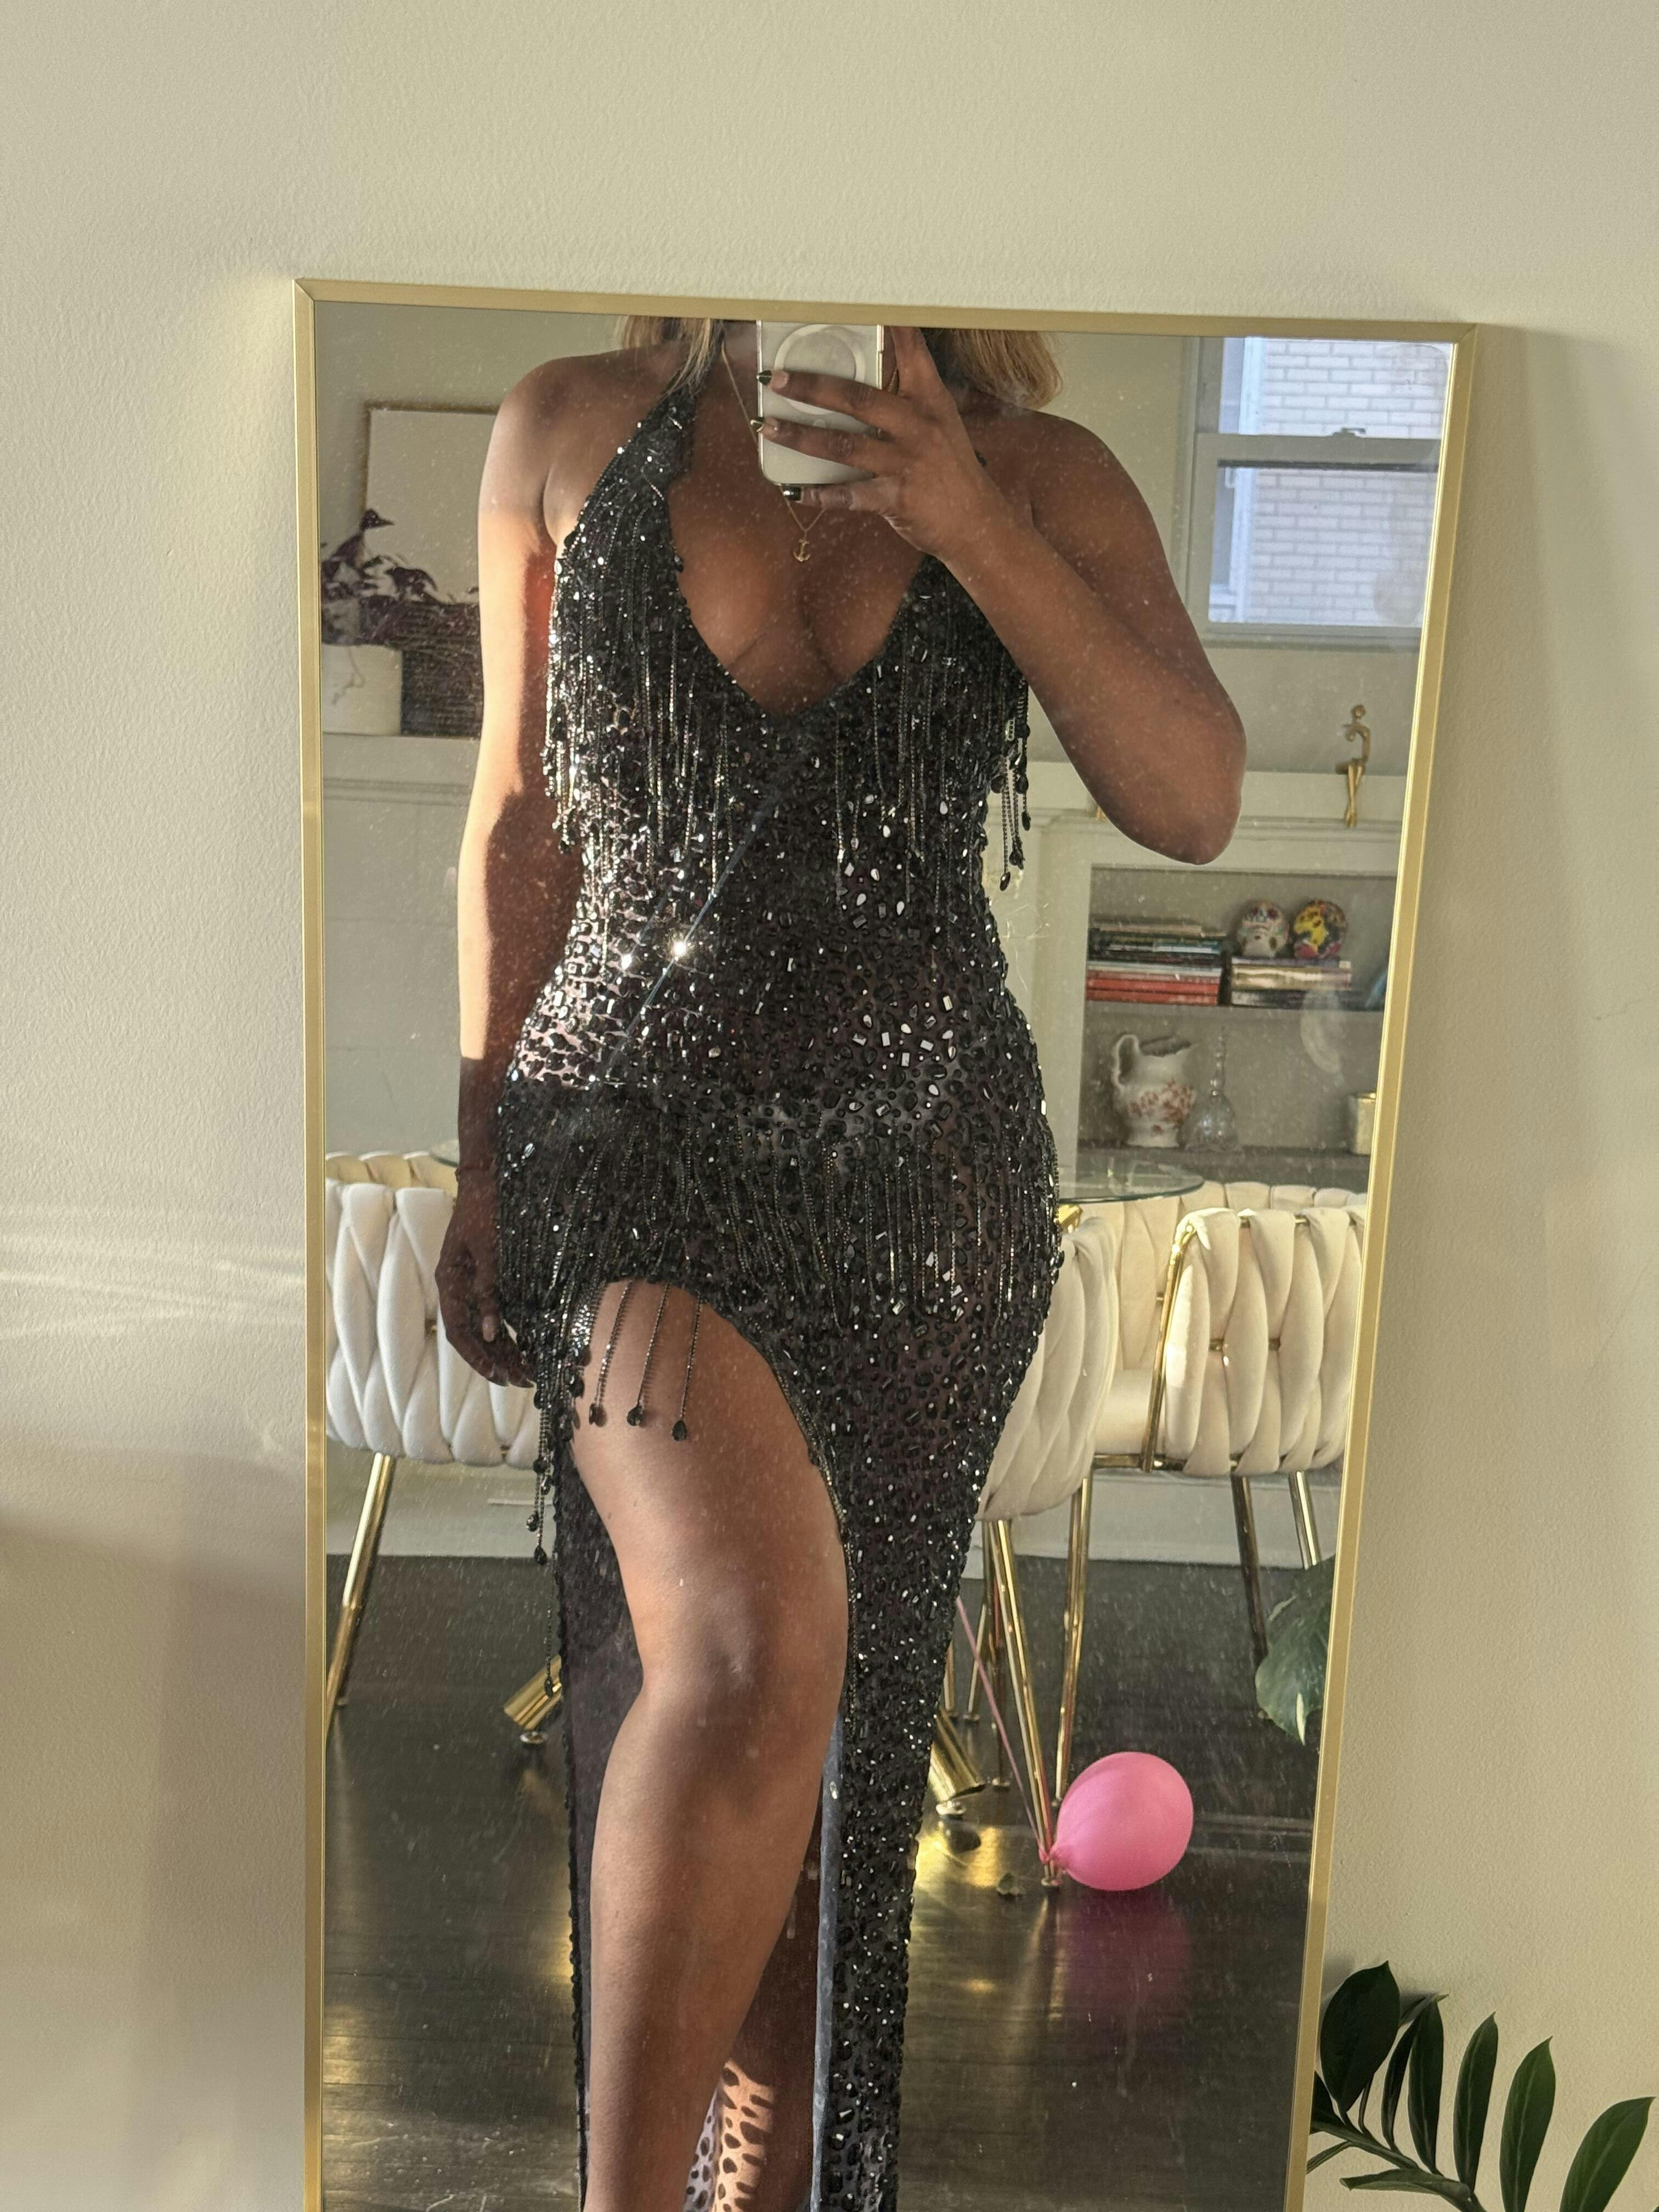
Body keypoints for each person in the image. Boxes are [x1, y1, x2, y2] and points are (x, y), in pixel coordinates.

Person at [437, 316, 1244, 2212]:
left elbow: (1194, 798)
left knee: (838, 1735)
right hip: (622, 1140)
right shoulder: (567, 425)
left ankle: (761, 2184)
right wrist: (479, 1154)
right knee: (751, 1650)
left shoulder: (1037, 475)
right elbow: (521, 819)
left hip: (928, 1186)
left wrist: (969, 522)